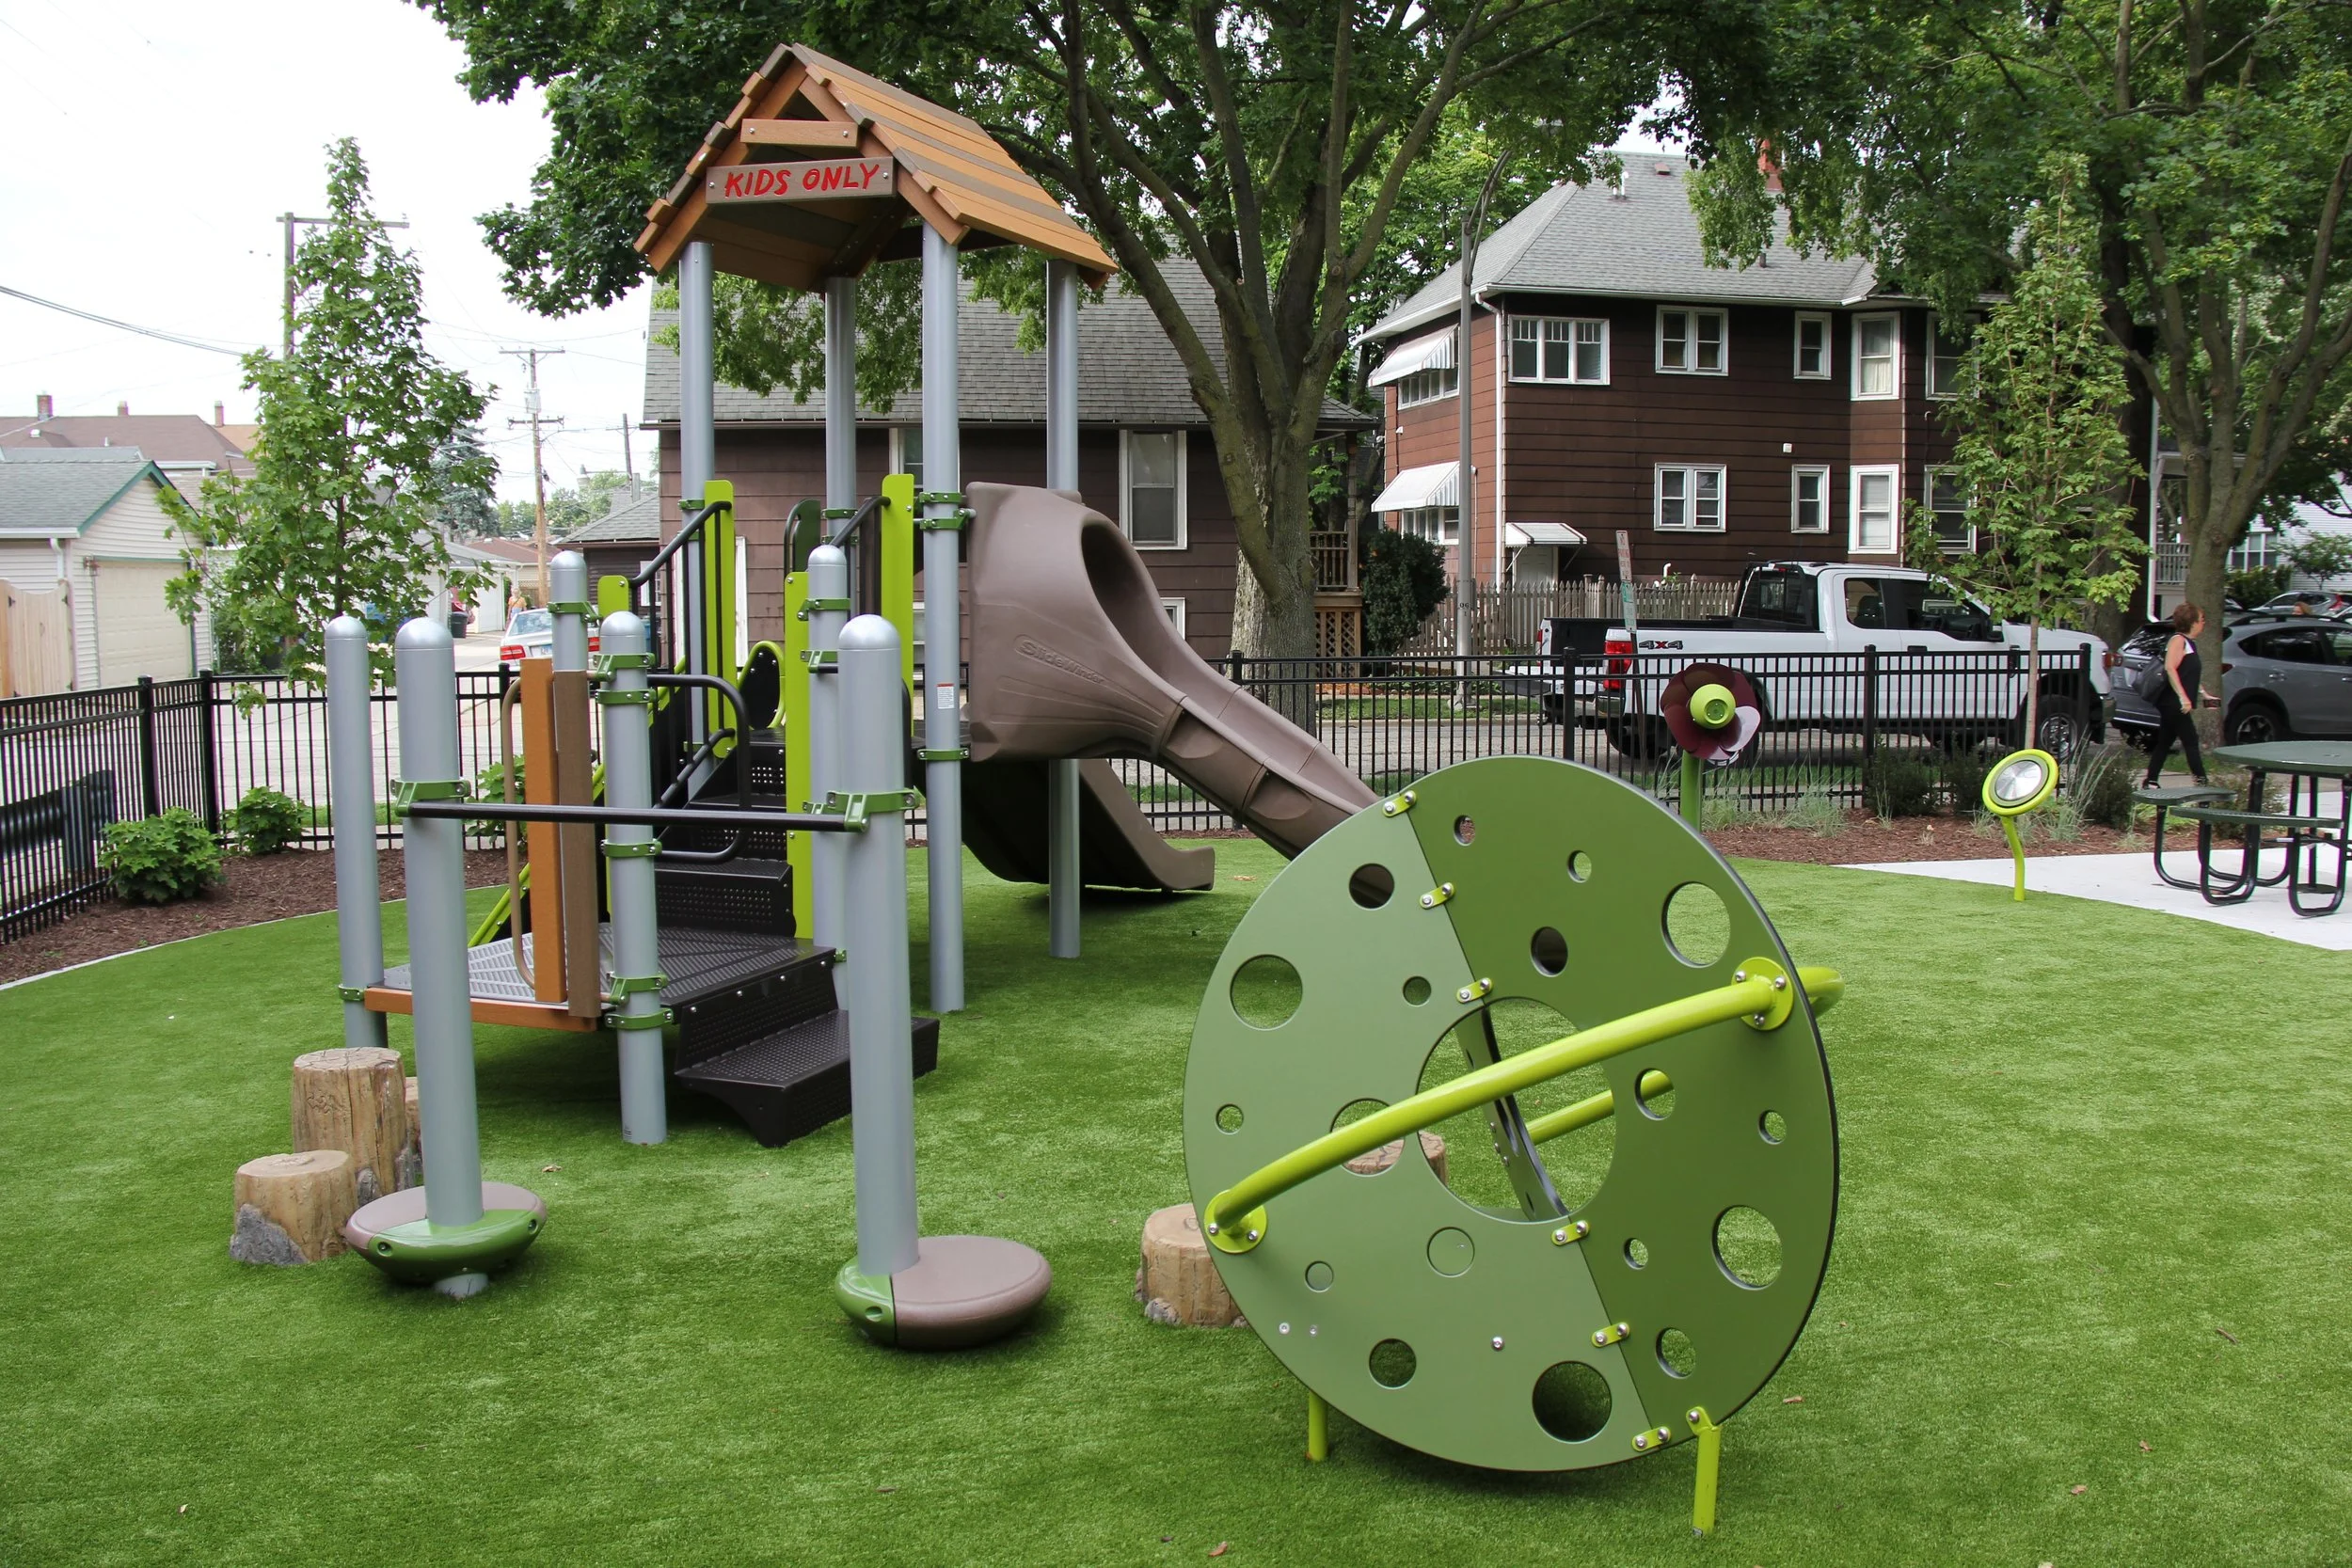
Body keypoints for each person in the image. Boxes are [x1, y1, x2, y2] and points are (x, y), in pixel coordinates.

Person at [2142, 602, 2210, 786]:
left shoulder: (2190, 644)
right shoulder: (2178, 640)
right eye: (2202, 620)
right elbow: (2170, 668)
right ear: (2193, 623)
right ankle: (2202, 783)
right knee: (2191, 741)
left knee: (2165, 741)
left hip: (2176, 702)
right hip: (2173, 702)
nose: (2204, 623)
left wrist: (2203, 693)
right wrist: (2183, 697)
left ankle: (2150, 780)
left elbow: (2188, 674)